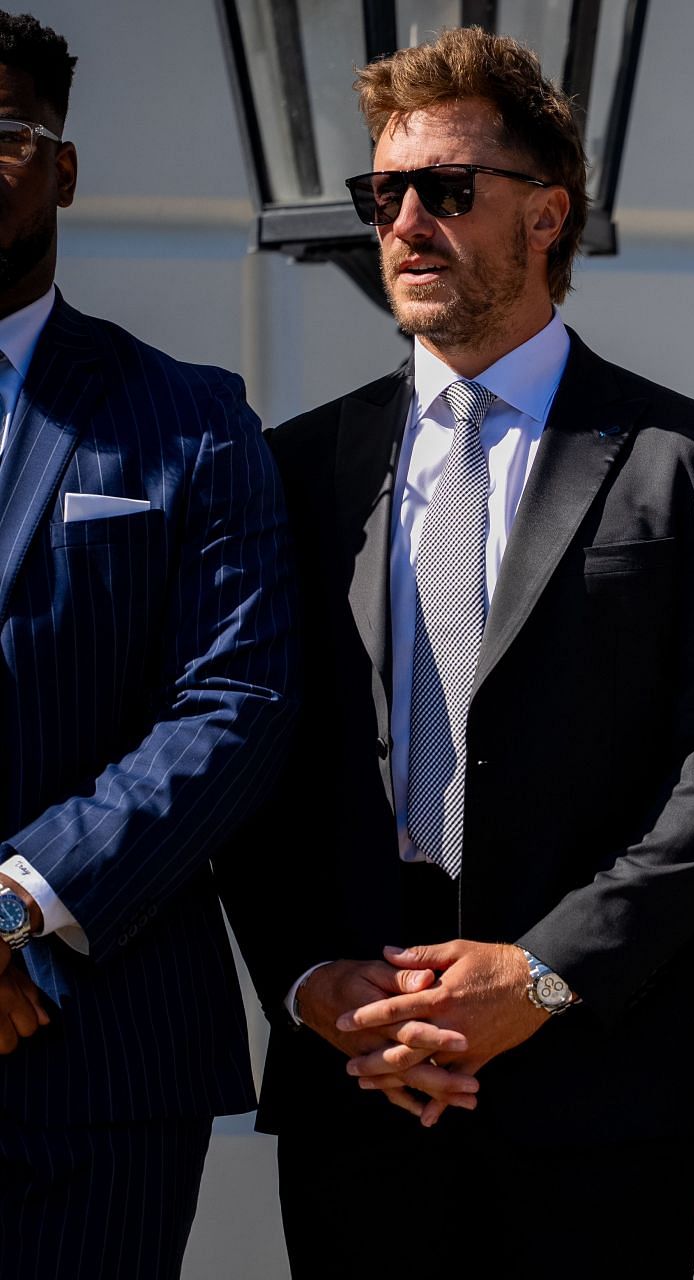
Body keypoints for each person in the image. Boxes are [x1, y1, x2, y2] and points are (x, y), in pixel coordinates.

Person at [215, 28, 694, 1278]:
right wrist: (315, 981)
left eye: (447, 189)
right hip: (361, 1073)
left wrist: (541, 975)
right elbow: (251, 740)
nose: (407, 221)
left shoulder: (690, 462)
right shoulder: (296, 465)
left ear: (547, 214)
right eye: (386, 193)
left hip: (597, 1079)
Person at [0, 11, 297, 1277]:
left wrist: (16, 906)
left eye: (3, 133)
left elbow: (235, 698)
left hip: (95, 1054)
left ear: (63, 167)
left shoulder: (188, 419)